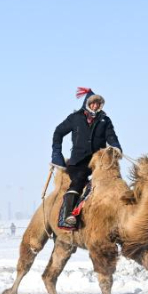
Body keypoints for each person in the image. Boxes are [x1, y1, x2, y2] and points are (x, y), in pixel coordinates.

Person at [51, 88, 121, 228]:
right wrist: (56, 154)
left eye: (98, 103)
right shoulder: (75, 118)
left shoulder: (104, 120)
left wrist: (115, 146)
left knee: (113, 180)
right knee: (78, 180)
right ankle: (68, 216)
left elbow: (111, 136)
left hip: (98, 163)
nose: (95, 106)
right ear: (87, 103)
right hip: (78, 163)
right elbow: (58, 132)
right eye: (93, 103)